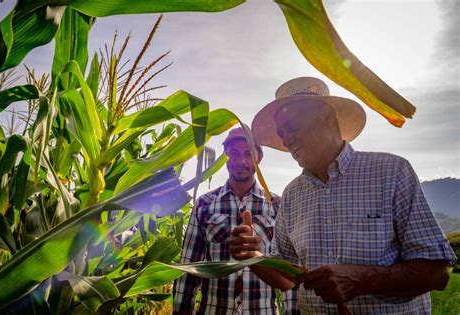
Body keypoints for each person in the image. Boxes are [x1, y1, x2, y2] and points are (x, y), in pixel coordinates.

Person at [229, 77, 457, 314]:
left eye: (292, 126)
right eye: (281, 132)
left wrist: (364, 279)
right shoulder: (292, 194)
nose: (286, 139)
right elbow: (288, 277)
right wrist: (252, 256)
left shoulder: (391, 172)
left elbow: (436, 274)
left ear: (327, 116)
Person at [173, 127, 300, 314]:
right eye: (234, 153)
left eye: (248, 154)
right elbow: (188, 269)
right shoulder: (204, 204)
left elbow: (288, 271)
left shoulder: (277, 206)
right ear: (226, 155)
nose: (241, 161)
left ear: (259, 158)